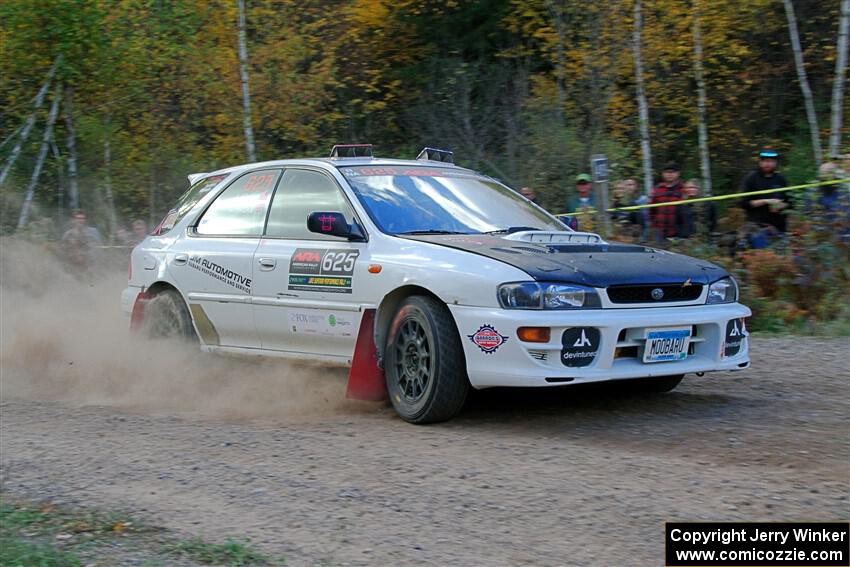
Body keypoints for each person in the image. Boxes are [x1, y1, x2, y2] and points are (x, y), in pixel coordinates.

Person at [739, 149, 790, 236]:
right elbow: (744, 203)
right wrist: (766, 201)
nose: (768, 164)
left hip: (779, 227)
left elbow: (790, 202)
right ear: (760, 162)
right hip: (756, 227)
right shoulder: (751, 179)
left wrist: (779, 206)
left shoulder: (781, 179)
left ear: (776, 163)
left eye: (771, 161)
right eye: (765, 161)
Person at [649, 161, 684, 240]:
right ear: (662, 174)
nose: (669, 174)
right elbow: (651, 210)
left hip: (678, 232)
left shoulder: (684, 189)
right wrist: (654, 226)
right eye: (667, 172)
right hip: (659, 232)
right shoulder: (657, 189)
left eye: (673, 172)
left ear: (678, 173)